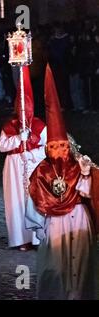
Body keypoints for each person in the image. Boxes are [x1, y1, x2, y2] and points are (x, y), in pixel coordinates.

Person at [26, 65, 97, 299]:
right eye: (54, 146)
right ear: (47, 148)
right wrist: (41, 227)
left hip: (78, 221)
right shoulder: (41, 170)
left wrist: (86, 174)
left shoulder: (79, 164)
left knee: (80, 267)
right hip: (55, 223)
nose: (59, 151)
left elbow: (88, 194)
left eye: (63, 146)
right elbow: (35, 199)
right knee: (56, 269)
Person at [0, 66, 46, 251]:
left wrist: (32, 154)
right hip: (14, 166)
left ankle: (36, 237)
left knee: (34, 199)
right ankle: (20, 238)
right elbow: (2, 146)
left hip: (33, 164)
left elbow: (49, 148)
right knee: (15, 200)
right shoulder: (9, 126)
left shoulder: (40, 125)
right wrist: (18, 139)